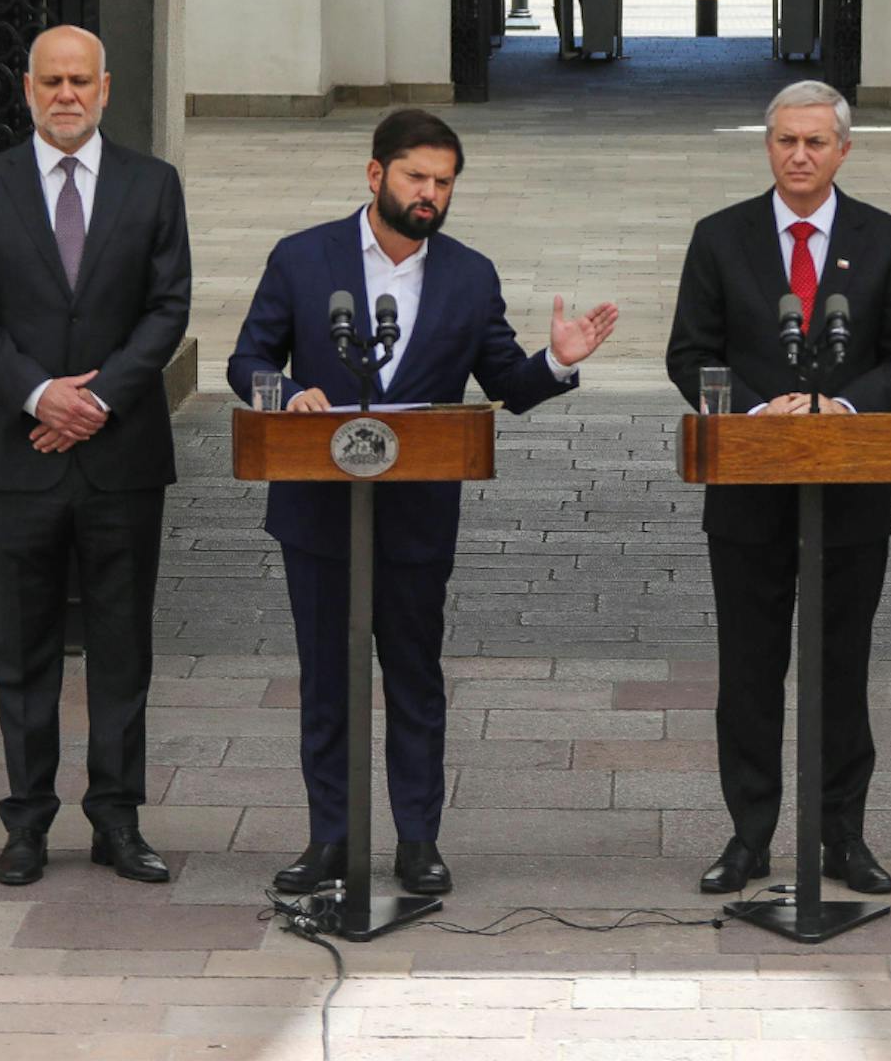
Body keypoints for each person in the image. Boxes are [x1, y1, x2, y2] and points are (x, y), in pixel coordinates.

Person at [229, 110, 617, 897]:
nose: (430, 194)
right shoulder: (305, 258)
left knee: (413, 675)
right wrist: (284, 393)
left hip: (414, 513)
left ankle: (416, 841)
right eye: (416, 177)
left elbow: (504, 381)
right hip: (318, 507)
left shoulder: (469, 276)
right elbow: (249, 357)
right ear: (376, 176)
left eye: (443, 182)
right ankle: (330, 840)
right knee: (327, 681)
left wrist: (557, 361)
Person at [666, 80, 891, 897]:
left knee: (839, 669)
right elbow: (689, 353)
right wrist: (754, 409)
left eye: (817, 142)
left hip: (849, 491)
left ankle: (840, 835)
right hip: (749, 492)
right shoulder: (721, 238)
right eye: (786, 140)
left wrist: (843, 407)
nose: (800, 155)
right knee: (748, 671)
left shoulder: (886, 239)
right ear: (768, 145)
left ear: (843, 149)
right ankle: (749, 836)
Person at [0, 25, 192, 889]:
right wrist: (38, 396)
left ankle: (117, 822)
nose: (66, 95)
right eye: (50, 81)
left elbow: (168, 310)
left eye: (80, 80)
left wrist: (94, 401)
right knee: (23, 650)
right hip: (18, 458)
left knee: (123, 648)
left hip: (121, 457)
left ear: (106, 87)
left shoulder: (153, 186)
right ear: (26, 90)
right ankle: (27, 822)